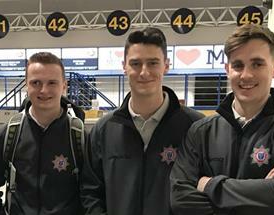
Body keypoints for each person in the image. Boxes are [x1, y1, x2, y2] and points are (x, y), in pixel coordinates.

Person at [170, 23, 274, 214]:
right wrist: (261, 194)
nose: (246, 75)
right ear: (227, 69)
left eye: (257, 64)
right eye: (238, 65)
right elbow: (180, 200)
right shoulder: (200, 131)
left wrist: (208, 185)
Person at [80, 27, 204, 215]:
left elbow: (202, 192)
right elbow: (90, 191)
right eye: (136, 63)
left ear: (166, 65)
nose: (144, 72)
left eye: (153, 63)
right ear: (124, 66)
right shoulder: (103, 130)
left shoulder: (195, 126)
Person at [0, 52, 86, 215]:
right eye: (36, 83)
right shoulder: (7, 136)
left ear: (64, 86)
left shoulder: (80, 138)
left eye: (52, 83)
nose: (44, 90)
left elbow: (94, 193)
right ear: (26, 86)